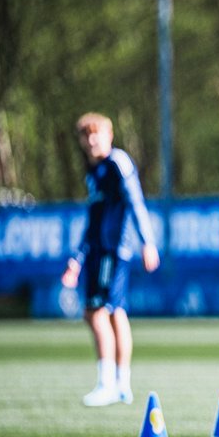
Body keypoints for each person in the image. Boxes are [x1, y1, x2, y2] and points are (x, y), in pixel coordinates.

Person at [61, 113, 160, 407]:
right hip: (98, 250)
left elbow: (135, 201)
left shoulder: (117, 163)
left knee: (96, 312)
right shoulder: (94, 171)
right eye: (86, 135)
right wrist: (77, 259)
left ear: (109, 135)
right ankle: (121, 385)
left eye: (97, 134)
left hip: (113, 250)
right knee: (115, 312)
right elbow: (93, 219)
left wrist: (148, 241)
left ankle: (109, 384)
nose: (92, 140)